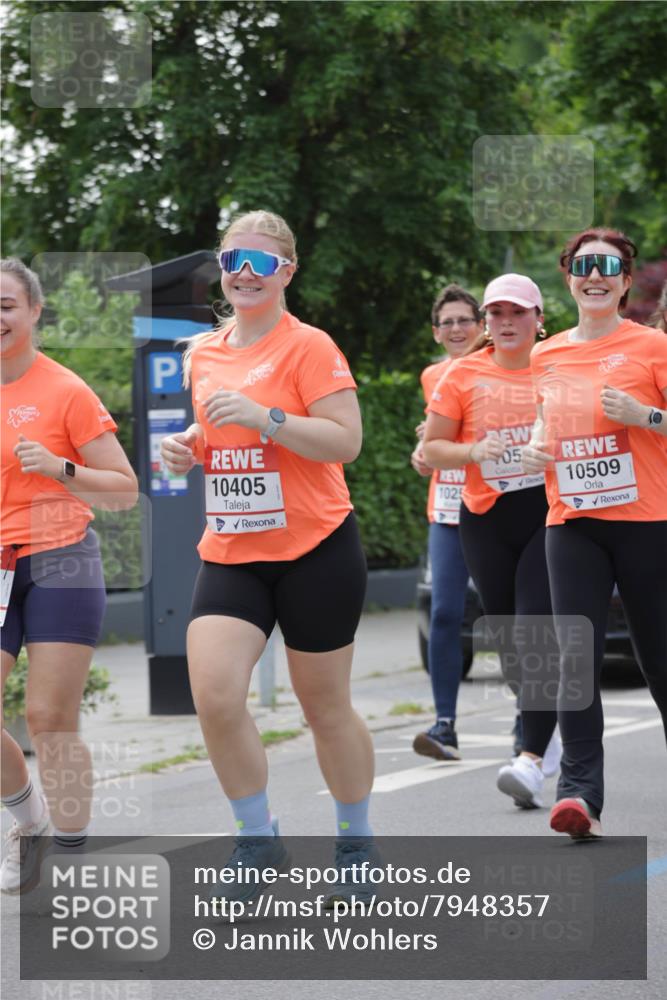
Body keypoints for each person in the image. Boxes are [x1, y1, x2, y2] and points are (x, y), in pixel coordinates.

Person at [160, 210, 373, 904]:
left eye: (259, 261)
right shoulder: (203, 352)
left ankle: (355, 844)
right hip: (232, 548)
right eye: (232, 259)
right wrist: (189, 446)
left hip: (315, 546)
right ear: (219, 268)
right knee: (216, 697)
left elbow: (344, 442)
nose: (244, 273)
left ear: (286, 271)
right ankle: (257, 841)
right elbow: (218, 426)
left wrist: (267, 420)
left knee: (324, 707)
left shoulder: (309, 346)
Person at [524, 228, 667, 839]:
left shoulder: (653, 346)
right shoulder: (545, 354)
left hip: (647, 524)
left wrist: (646, 416)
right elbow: (545, 420)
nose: (596, 275)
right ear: (569, 276)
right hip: (573, 522)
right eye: (584, 265)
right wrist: (536, 445)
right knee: (574, 660)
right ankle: (580, 795)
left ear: (626, 281)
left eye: (609, 266)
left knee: (659, 659)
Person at [0, 258, 138, 892]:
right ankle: (28, 820)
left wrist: (60, 467)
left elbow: (124, 490)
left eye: (6, 305)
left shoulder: (66, 390)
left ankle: (74, 865)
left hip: (60, 557)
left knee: (50, 715)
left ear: (33, 311)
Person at [423, 273, 560, 809]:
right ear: (487, 322)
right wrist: (475, 452)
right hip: (483, 517)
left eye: (517, 313)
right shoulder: (460, 376)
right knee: (508, 640)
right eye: (497, 314)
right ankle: (537, 727)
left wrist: (552, 451)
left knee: (534, 630)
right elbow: (434, 450)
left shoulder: (560, 366)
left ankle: (530, 758)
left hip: (548, 514)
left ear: (537, 318)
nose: (506, 323)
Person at [410, 284, 483, 760]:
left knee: (515, 615)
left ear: (480, 326)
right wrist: (423, 454)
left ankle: (531, 729)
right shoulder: (432, 376)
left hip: (499, 505)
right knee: (443, 613)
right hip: (448, 508)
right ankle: (444, 727)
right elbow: (433, 444)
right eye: (448, 323)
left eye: (465, 321)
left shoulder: (506, 368)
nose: (457, 329)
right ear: (437, 333)